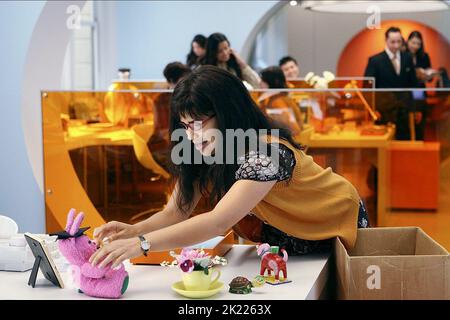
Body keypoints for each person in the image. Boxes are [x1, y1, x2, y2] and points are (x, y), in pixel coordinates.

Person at [89, 66, 369, 269]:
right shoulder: (209, 148)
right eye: (186, 126)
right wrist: (133, 231)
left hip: (332, 220)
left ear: (227, 114)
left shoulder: (264, 152)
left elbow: (217, 221)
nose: (191, 135)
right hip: (288, 235)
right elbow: (176, 211)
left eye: (198, 124)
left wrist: (143, 244)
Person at [364, 26, 418, 140]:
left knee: (403, 146)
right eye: (392, 42)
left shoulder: (407, 58)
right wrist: (373, 110)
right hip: (383, 112)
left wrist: (416, 107)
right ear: (386, 41)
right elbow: (367, 88)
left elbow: (414, 84)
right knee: (385, 147)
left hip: (404, 111)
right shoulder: (375, 61)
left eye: (399, 41)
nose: (396, 45)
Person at [406, 30, 436, 140]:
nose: (415, 46)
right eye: (413, 43)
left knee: (420, 122)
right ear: (408, 42)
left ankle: (418, 143)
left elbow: (430, 77)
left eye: (418, 44)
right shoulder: (402, 56)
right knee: (407, 124)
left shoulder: (424, 56)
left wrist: (427, 74)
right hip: (406, 92)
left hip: (419, 91)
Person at [258, 66, 303, 135]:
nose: (260, 83)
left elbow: (294, 129)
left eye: (262, 80)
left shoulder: (277, 101)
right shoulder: (277, 97)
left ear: (270, 82)